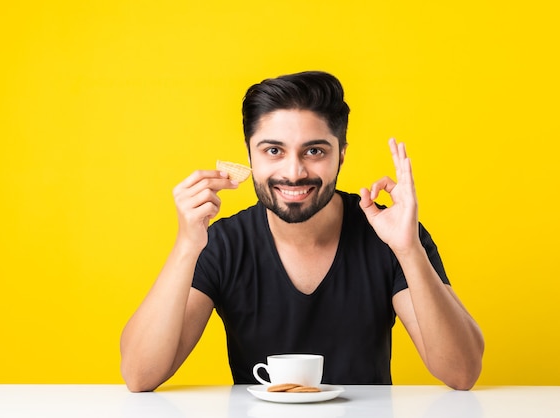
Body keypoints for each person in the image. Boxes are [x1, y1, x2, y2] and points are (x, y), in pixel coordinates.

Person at [120, 71, 484, 392]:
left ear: (341, 154)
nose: (294, 172)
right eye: (273, 150)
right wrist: (187, 245)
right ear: (249, 156)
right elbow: (140, 375)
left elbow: (461, 372)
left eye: (314, 151)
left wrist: (408, 250)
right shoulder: (222, 245)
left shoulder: (390, 235)